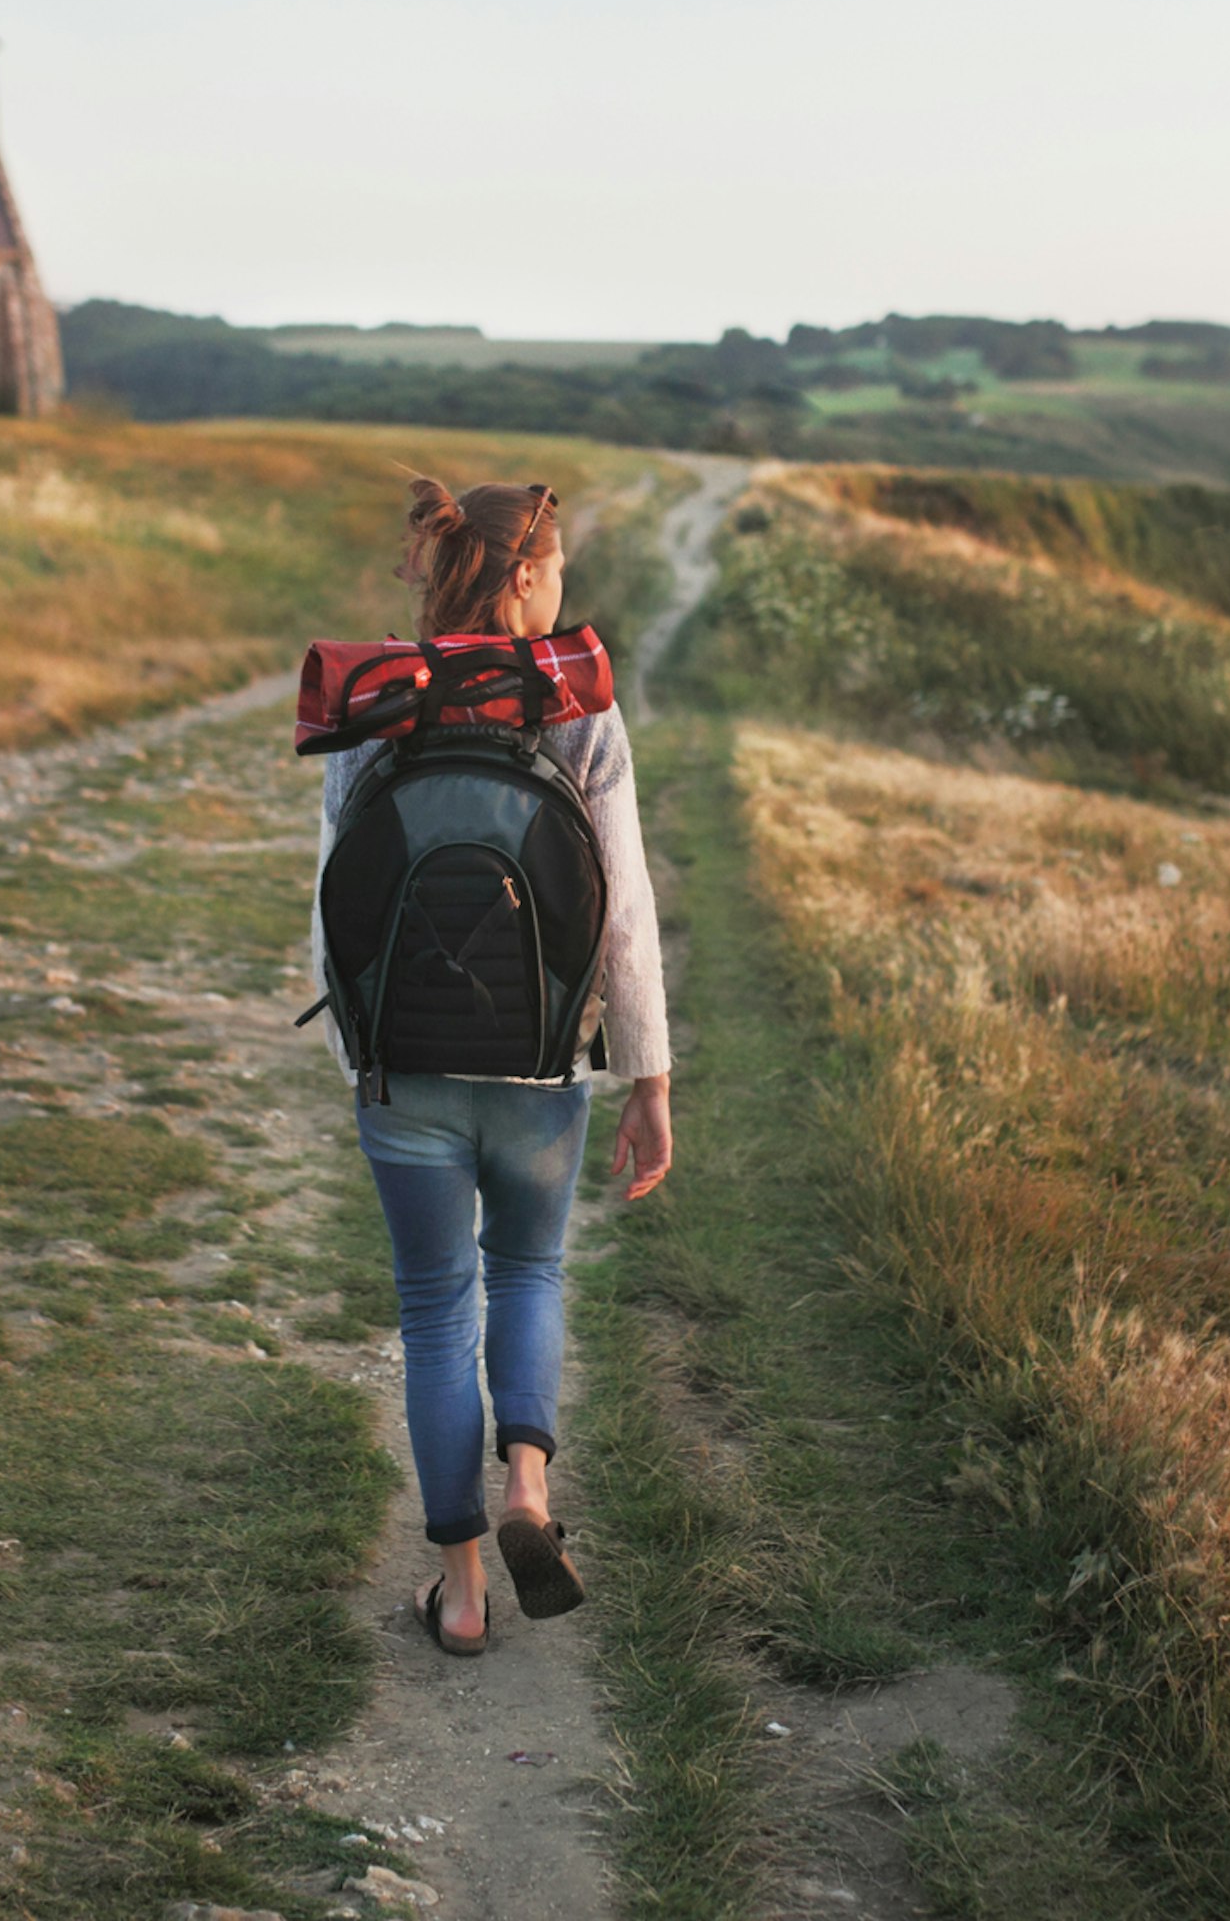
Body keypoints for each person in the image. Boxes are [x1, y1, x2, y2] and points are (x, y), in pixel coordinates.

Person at [311, 476, 675, 1655]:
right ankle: (529, 1481)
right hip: (537, 1067)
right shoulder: (577, 704)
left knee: (432, 1311)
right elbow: (621, 911)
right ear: (524, 576)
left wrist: (361, 1054)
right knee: (527, 1273)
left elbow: (334, 899)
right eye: (558, 569)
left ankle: (462, 1597)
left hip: (405, 1065)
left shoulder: (376, 696)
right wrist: (646, 1076)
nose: (565, 589)